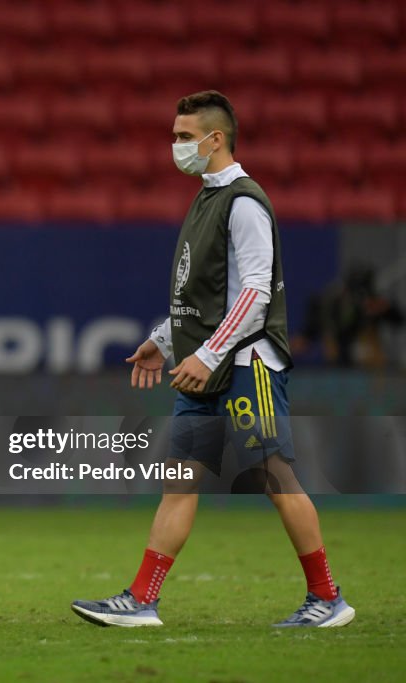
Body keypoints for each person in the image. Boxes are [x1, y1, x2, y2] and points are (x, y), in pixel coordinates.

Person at [71, 91, 355, 629]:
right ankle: (142, 599)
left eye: (183, 137)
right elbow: (201, 295)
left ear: (215, 139)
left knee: (275, 477)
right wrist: (165, 339)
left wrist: (206, 352)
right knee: (180, 480)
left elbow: (255, 293)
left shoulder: (244, 201)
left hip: (249, 366)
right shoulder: (206, 199)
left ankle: (327, 597)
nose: (176, 146)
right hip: (209, 365)